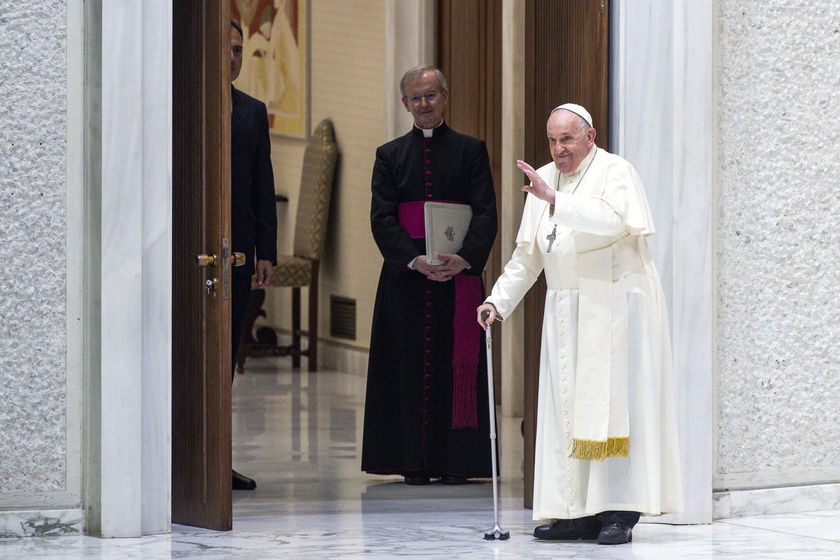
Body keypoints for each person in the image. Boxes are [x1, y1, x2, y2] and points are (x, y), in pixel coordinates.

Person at [477, 104, 682, 544]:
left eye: (566, 139)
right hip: (565, 311)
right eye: (552, 140)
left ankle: (617, 513)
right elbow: (528, 256)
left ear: (589, 137)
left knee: (613, 411)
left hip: (614, 308)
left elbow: (613, 221)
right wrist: (497, 300)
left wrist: (557, 201)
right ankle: (576, 512)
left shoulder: (616, 171)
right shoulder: (545, 179)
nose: (558, 149)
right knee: (567, 413)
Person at [361, 66, 498, 485]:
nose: (424, 104)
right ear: (405, 104)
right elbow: (381, 218)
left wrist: (465, 259)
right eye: (415, 98)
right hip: (406, 281)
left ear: (444, 96)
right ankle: (412, 462)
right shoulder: (389, 155)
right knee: (405, 369)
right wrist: (414, 260)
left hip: (457, 280)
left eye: (431, 96)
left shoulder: (471, 150)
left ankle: (455, 461)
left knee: (451, 368)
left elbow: (486, 212)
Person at [230, 19, 278, 490]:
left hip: (241, 250)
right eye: (225, 48)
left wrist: (268, 251)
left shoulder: (251, 110)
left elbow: (263, 185)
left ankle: (217, 462)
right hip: (196, 250)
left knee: (226, 357)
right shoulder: (186, 103)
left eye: (239, 50)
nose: (232, 58)